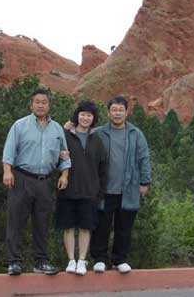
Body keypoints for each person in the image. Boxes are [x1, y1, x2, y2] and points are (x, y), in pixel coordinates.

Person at [2, 88, 71, 276]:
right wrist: (7, 171)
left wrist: (64, 175)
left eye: (44, 102)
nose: (41, 105)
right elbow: (9, 151)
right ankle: (14, 262)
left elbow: (64, 155)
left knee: (42, 223)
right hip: (22, 178)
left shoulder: (57, 129)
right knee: (16, 221)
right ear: (31, 104)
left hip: (45, 182)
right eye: (37, 102)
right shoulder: (20, 125)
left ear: (49, 105)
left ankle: (41, 262)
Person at [90, 95, 151, 274]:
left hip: (129, 188)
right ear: (108, 113)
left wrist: (145, 181)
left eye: (121, 110)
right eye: (114, 110)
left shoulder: (136, 134)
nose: (117, 113)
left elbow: (144, 158)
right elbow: (81, 138)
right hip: (104, 189)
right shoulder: (99, 133)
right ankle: (100, 259)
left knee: (124, 227)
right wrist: (69, 127)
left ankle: (119, 259)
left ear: (127, 112)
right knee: (101, 226)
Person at [56, 101, 108, 276]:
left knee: (86, 227)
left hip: (89, 192)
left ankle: (82, 261)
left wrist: (99, 191)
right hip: (67, 189)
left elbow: (103, 168)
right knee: (68, 227)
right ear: (77, 115)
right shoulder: (66, 136)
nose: (85, 118)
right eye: (83, 114)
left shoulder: (97, 140)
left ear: (93, 118)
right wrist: (64, 131)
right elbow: (55, 156)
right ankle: (71, 260)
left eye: (89, 115)